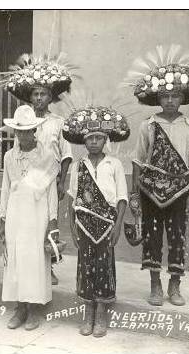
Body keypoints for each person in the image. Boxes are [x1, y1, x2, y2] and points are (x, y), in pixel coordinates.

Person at [123, 45, 189, 306]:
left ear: (182, 98)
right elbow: (138, 160)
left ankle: (174, 286)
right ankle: (155, 285)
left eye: (175, 96)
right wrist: (134, 195)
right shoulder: (148, 125)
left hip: (180, 191)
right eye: (165, 96)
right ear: (157, 99)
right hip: (150, 191)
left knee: (177, 237)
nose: (169, 100)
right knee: (152, 237)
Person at [0, 53, 79, 284]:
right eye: (35, 94)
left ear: (50, 97)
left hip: (50, 179)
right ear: (30, 97)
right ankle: (32, 266)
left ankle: (49, 267)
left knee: (48, 223)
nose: (39, 98)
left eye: (43, 94)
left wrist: (62, 182)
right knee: (31, 225)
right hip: (26, 181)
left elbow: (66, 156)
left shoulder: (58, 123)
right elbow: (17, 155)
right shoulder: (24, 123)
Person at [63, 104, 130, 337]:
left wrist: (118, 226)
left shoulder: (115, 164)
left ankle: (101, 312)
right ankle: (88, 311)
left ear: (105, 141)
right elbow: (72, 199)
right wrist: (72, 228)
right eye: (89, 138)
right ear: (84, 141)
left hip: (107, 225)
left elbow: (122, 198)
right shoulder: (78, 165)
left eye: (98, 138)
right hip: (83, 225)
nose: (93, 142)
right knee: (85, 266)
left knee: (104, 267)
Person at [0, 105, 60, 331]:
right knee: (15, 260)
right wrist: (2, 217)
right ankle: (20, 308)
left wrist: (53, 220)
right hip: (16, 212)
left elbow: (52, 191)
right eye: (19, 131)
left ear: (35, 131)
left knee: (34, 260)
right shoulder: (8, 157)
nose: (23, 135)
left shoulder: (47, 156)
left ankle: (34, 309)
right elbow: (6, 187)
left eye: (28, 131)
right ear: (15, 133)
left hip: (37, 214)